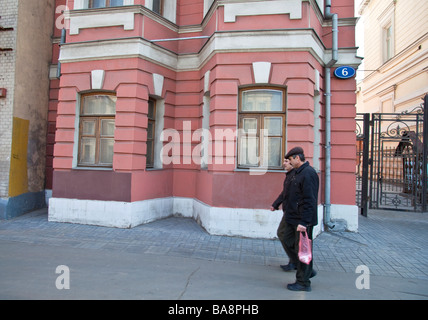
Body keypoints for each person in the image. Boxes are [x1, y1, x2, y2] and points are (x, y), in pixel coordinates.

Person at [280, 146, 319, 292]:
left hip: (302, 221)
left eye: (290, 159)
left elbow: (310, 200)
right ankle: (307, 271)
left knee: (303, 251)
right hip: (293, 217)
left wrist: (304, 222)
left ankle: (303, 282)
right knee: (287, 240)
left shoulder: (308, 174)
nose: (289, 162)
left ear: (297, 158)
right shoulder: (298, 172)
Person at [270, 157, 297, 272]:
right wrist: (276, 204)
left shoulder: (295, 176)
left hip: (293, 213)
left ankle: (296, 261)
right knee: (289, 236)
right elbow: (284, 193)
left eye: (286, 161)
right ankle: (294, 261)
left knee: (282, 234)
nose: (284, 163)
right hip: (289, 212)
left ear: (292, 163)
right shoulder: (290, 175)